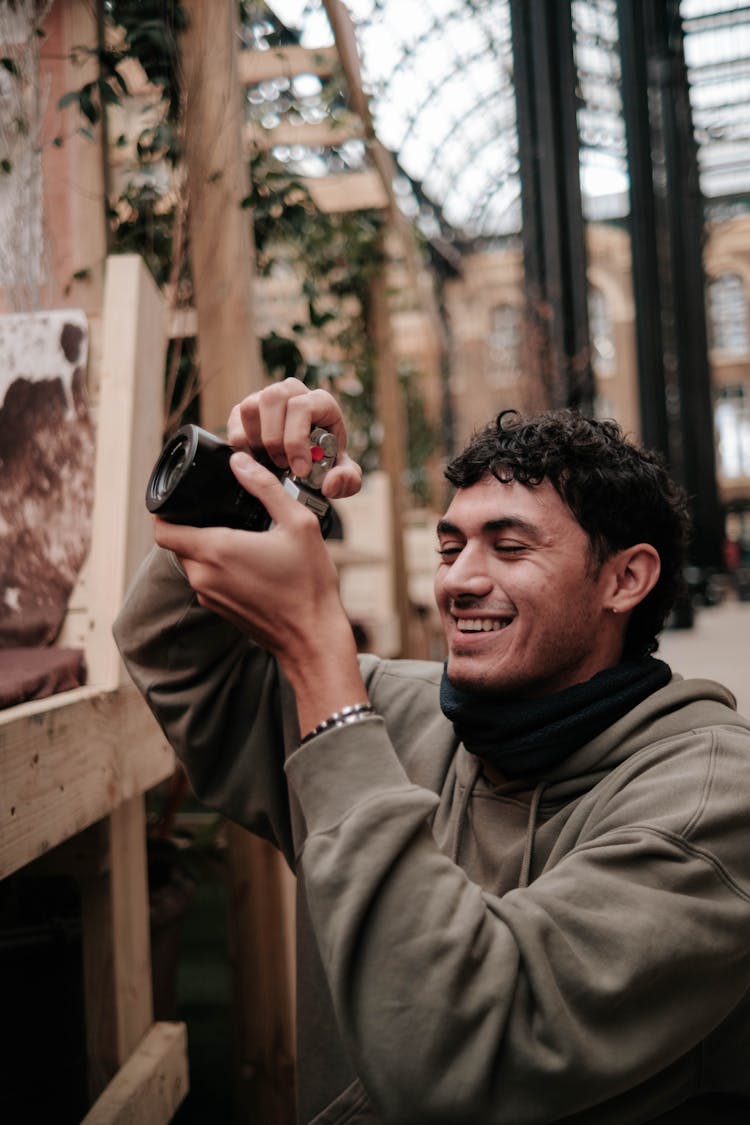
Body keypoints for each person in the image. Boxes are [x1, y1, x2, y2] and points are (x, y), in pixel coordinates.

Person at [114, 377, 750, 1125]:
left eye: (509, 546)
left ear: (625, 578)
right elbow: (174, 654)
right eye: (450, 546)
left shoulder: (711, 800)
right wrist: (249, 487)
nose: (460, 580)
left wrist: (324, 658)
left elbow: (453, 1056)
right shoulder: (397, 710)